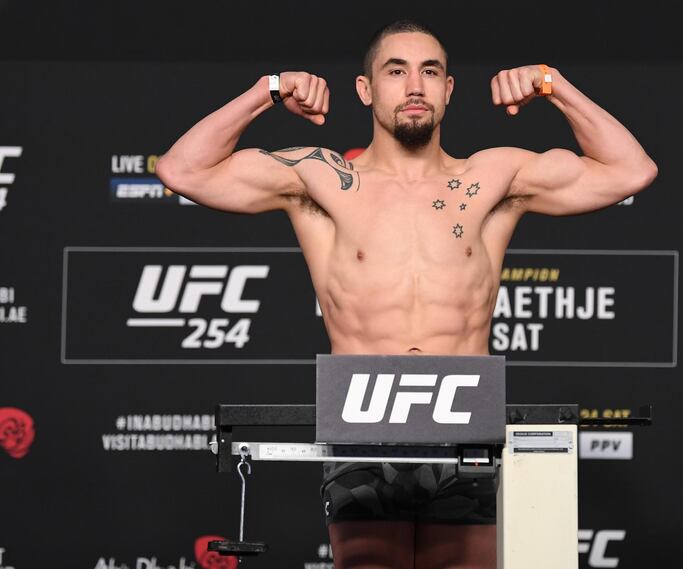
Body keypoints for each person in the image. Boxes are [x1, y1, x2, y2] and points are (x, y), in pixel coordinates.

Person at [156, 19, 657, 569]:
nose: (414, 86)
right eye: (396, 72)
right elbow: (182, 169)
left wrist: (551, 84)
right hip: (364, 432)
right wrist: (268, 90)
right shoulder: (323, 179)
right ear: (366, 90)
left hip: (466, 430)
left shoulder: (491, 177)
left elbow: (630, 169)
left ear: (448, 90)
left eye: (430, 72)